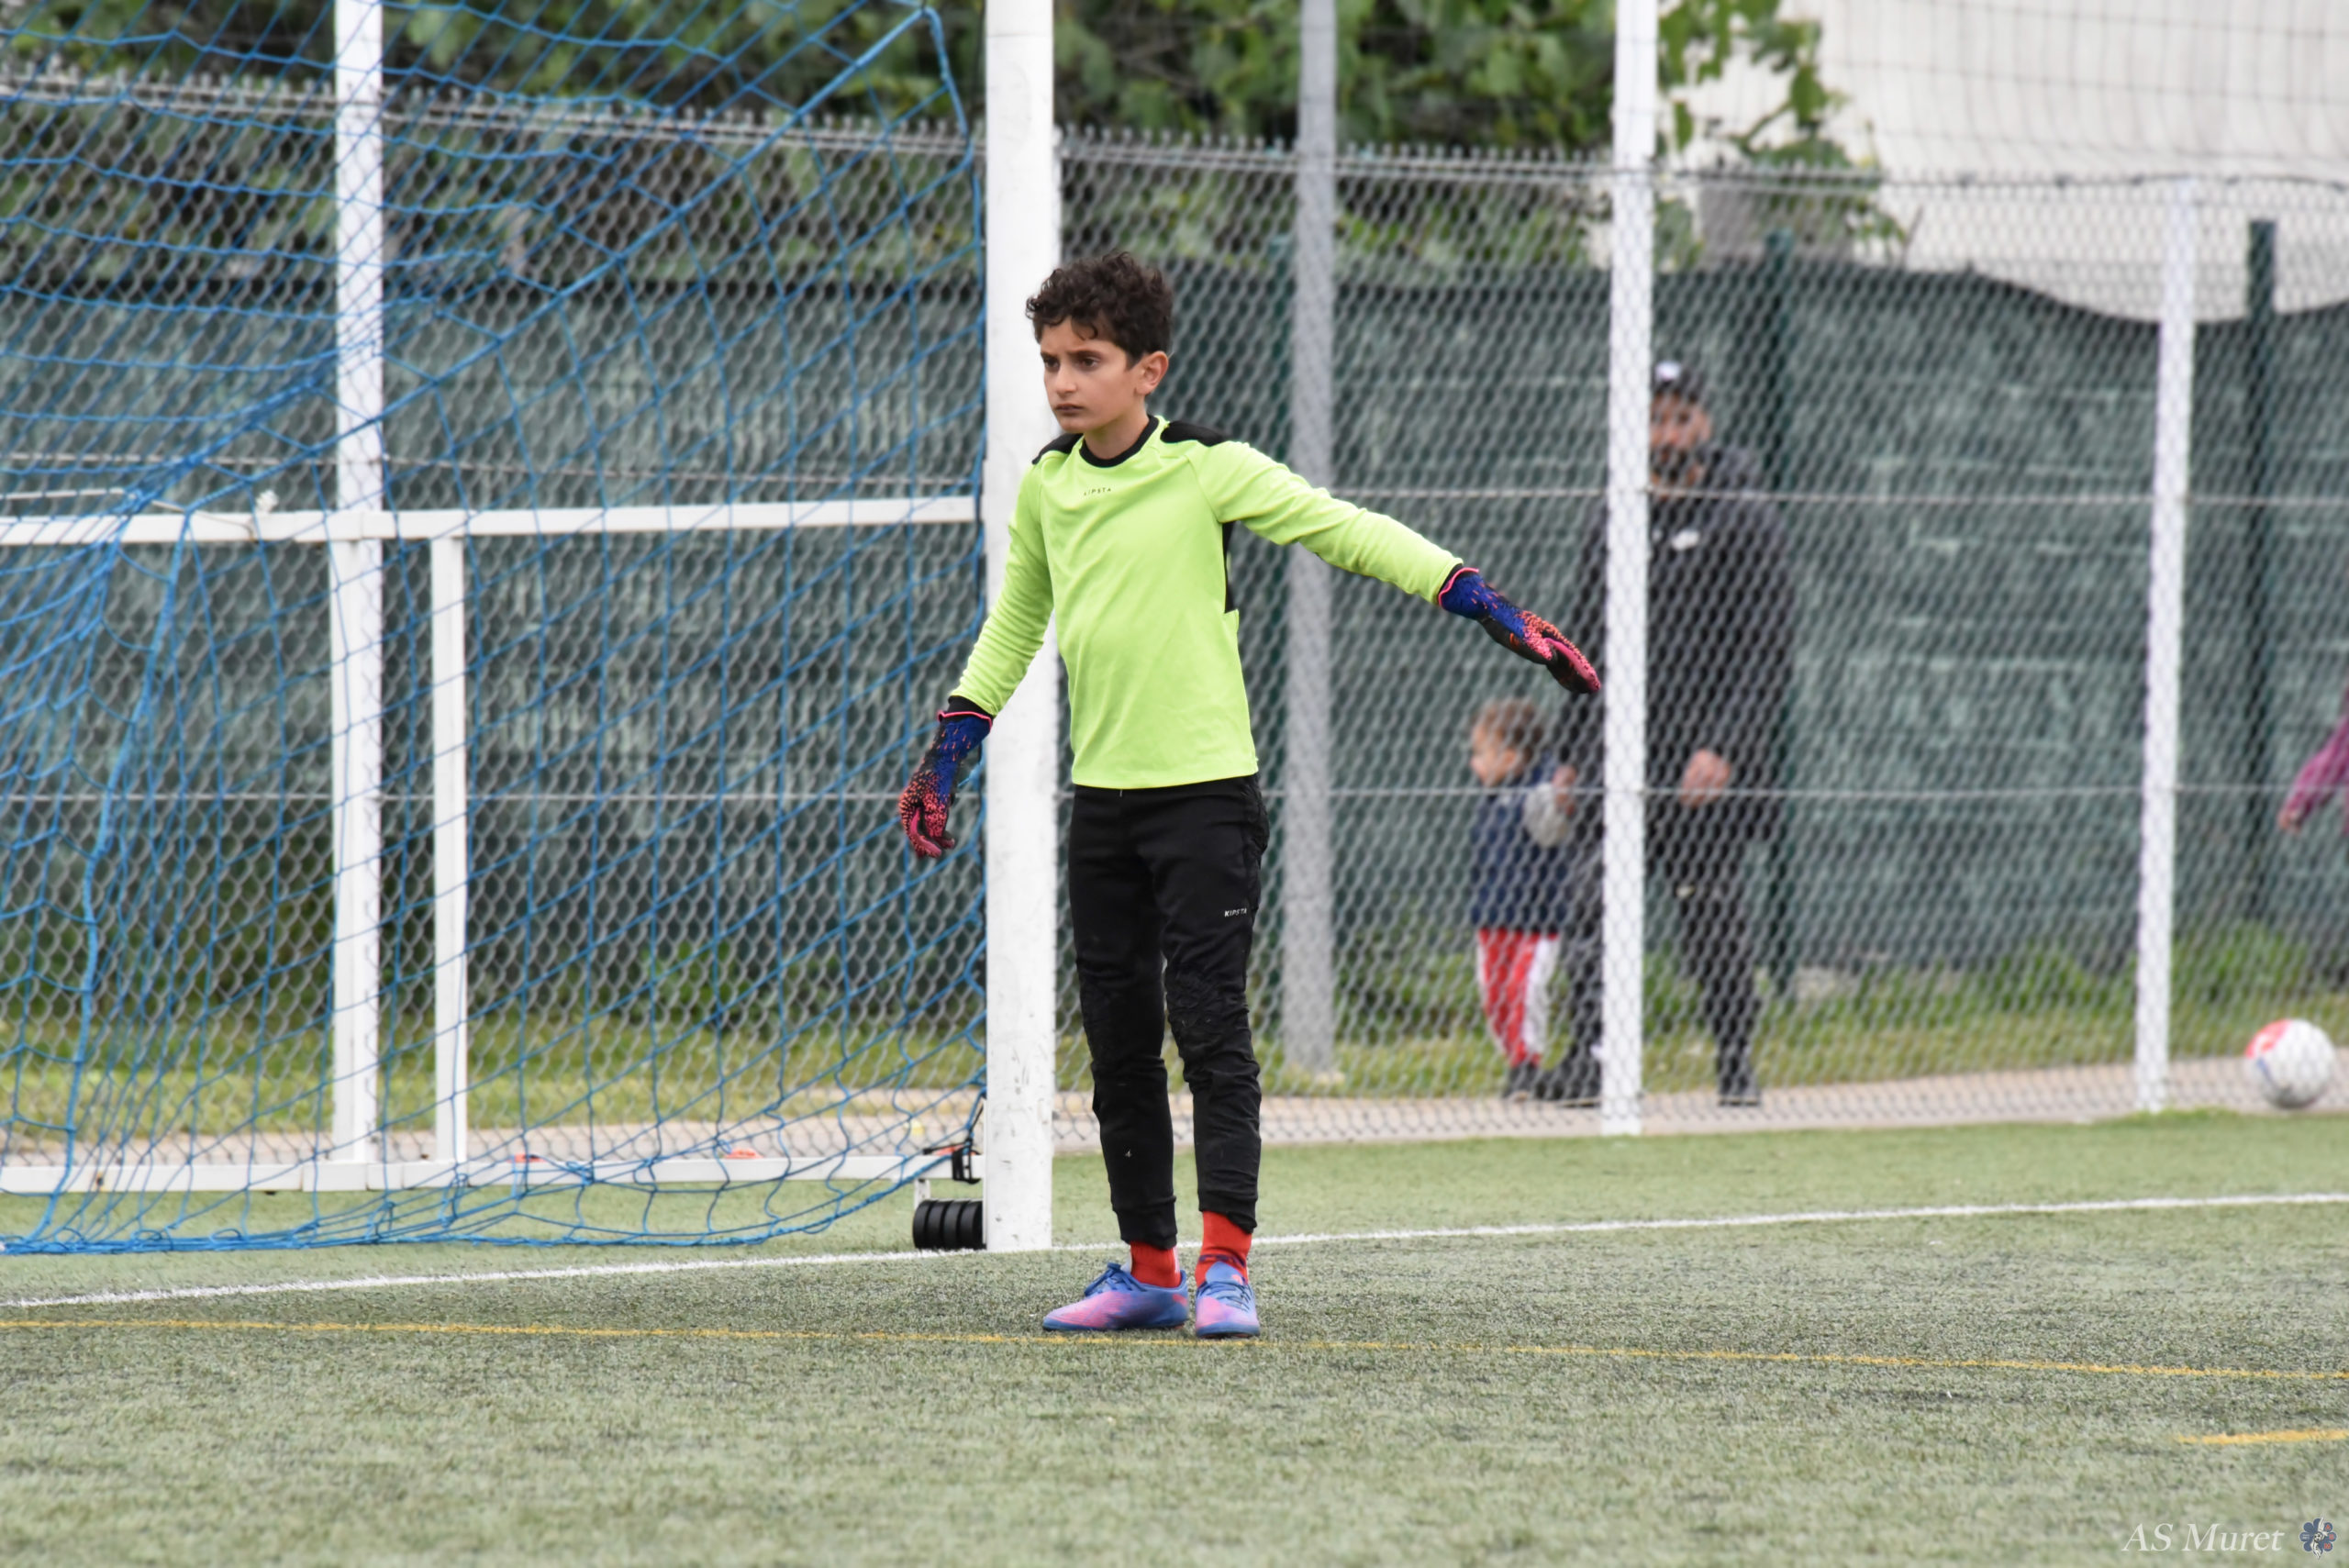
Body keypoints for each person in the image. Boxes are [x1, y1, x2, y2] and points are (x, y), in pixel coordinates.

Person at [896, 251, 1598, 1338]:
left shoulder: (1205, 467)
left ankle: (1226, 1268)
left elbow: (1342, 526)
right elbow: (1015, 623)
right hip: (1103, 807)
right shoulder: (1047, 484)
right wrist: (952, 744)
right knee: (1118, 1043)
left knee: (1210, 1026)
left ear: (1148, 369)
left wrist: (1479, 600)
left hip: (1206, 799)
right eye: (1051, 361)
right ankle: (1149, 1270)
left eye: (1088, 360)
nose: (1064, 381)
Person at [1547, 360, 1793, 1108]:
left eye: (1681, 419)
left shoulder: (1743, 517)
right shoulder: (1613, 515)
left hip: (1699, 764)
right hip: (1616, 752)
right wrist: (1569, 752)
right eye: (1655, 419)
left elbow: (1766, 648)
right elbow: (1582, 633)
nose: (1668, 435)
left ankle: (1734, 1056)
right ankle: (1593, 1058)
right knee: (1593, 904)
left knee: (1709, 910)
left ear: (1705, 423)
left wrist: (1724, 748)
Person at [1466, 697, 1575, 1099]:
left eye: (1482, 754)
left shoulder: (1542, 790)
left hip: (1538, 920)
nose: (1474, 763)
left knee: (1523, 990)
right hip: (1493, 917)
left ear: (1511, 758)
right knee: (1493, 993)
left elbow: (1553, 829)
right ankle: (1515, 1058)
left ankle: (1526, 1065)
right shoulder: (1491, 797)